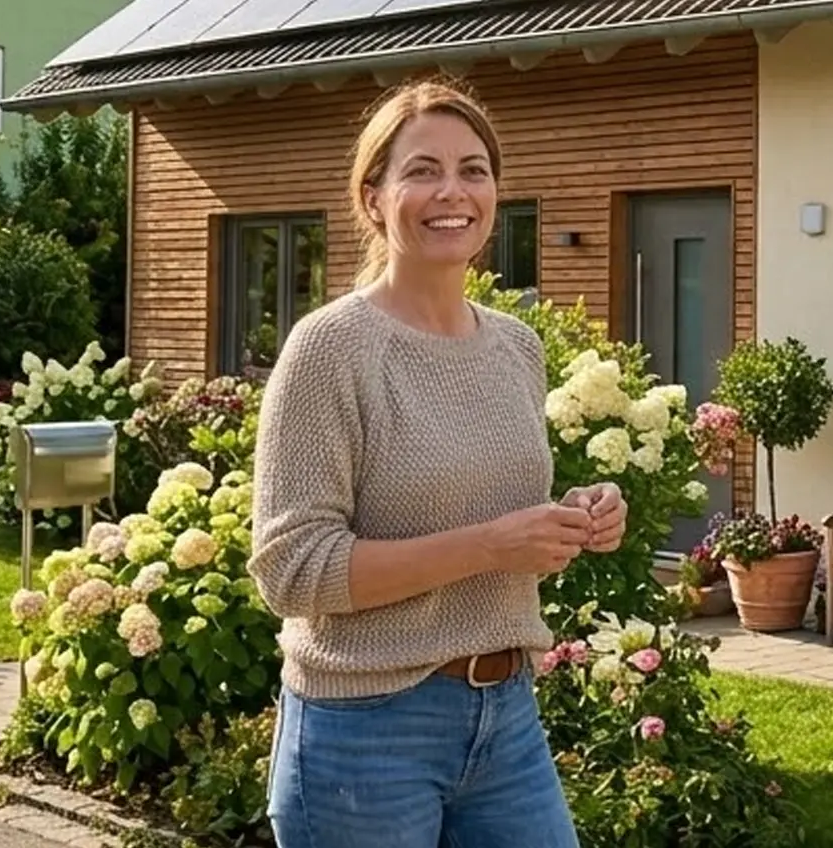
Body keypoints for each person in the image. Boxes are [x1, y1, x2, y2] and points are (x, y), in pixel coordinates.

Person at [248, 78, 626, 847]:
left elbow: (490, 513)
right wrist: (490, 545)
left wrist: (573, 520)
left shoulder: (516, 347)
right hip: (364, 732)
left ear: (494, 194)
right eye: (422, 170)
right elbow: (290, 572)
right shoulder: (330, 349)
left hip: (506, 715)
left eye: (472, 170)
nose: (451, 191)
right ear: (373, 198)